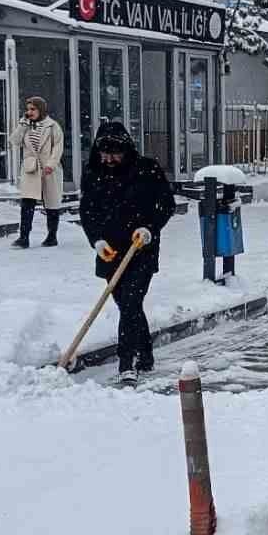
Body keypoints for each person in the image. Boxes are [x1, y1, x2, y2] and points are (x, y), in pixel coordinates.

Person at [79, 122, 175, 384]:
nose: (109, 159)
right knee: (127, 305)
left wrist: (149, 228)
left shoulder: (147, 169)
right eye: (104, 154)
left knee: (131, 301)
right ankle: (145, 354)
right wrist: (96, 240)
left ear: (126, 150)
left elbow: (167, 204)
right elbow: (87, 210)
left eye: (115, 154)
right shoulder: (92, 173)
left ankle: (126, 363)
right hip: (110, 252)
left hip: (140, 248)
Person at [11, 96, 65, 248]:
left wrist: (51, 164)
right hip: (31, 169)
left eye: (33, 109)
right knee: (27, 203)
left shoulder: (52, 126)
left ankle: (52, 236)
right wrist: (22, 124)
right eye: (28, 109)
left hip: (49, 169)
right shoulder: (26, 125)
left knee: (51, 203)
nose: (30, 112)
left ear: (41, 109)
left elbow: (58, 147)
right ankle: (23, 238)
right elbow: (14, 141)